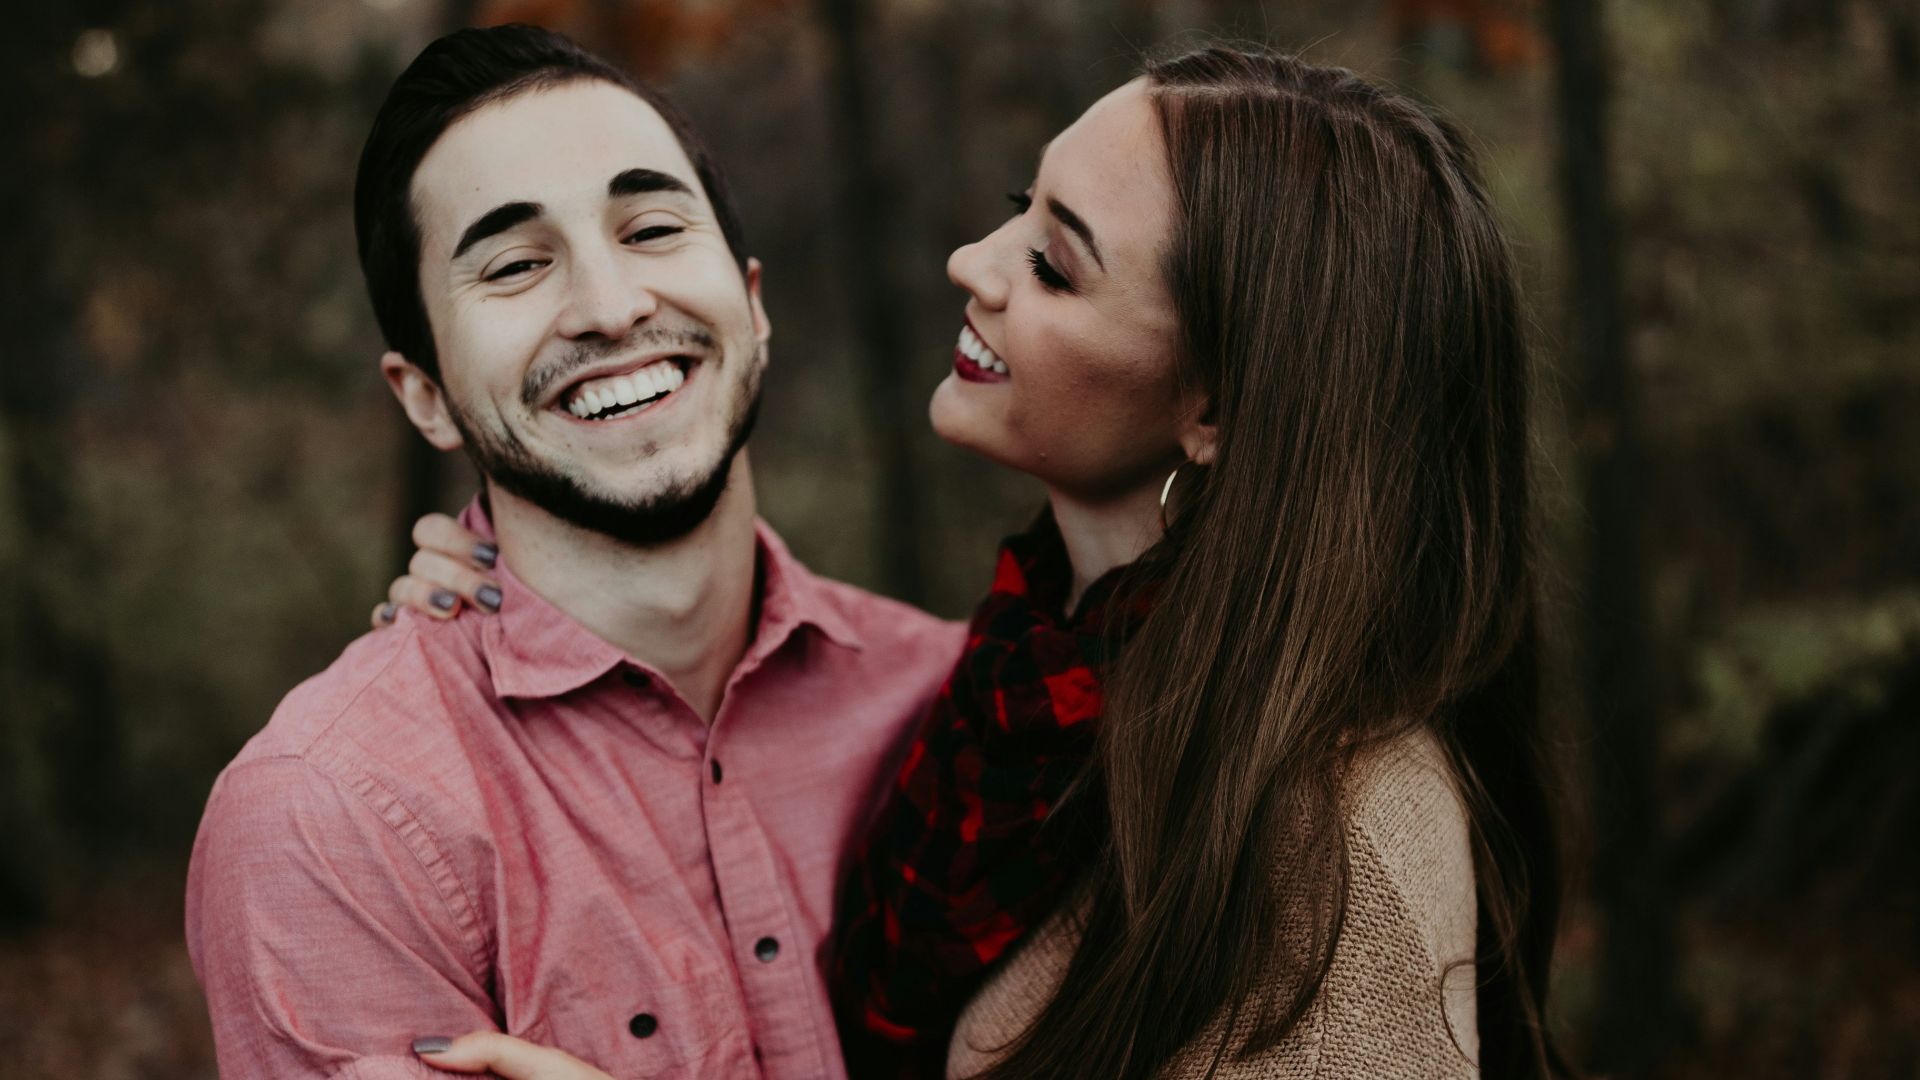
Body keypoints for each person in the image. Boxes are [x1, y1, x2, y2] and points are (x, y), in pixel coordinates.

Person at [389, 44, 1566, 1080]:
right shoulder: (1025, 691)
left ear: (1216, 407)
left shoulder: (1341, 842)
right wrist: (525, 594)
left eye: (1055, 265)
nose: (973, 261)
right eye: (1020, 205)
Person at [184, 25, 962, 1079]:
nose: (611, 306)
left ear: (756, 307)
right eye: (514, 265)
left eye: (650, 228)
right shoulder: (330, 817)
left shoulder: (955, 703)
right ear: (425, 398)